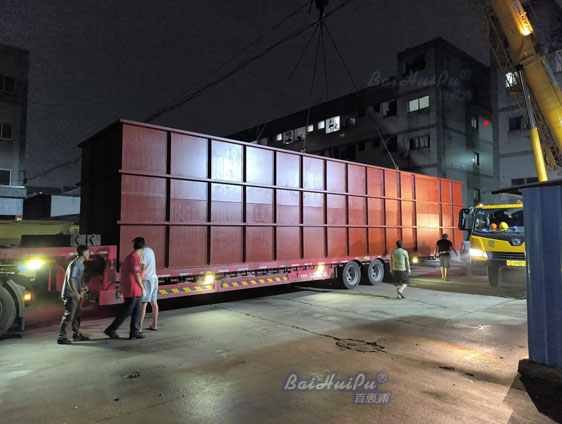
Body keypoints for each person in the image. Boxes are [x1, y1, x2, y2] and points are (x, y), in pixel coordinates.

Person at [104, 238, 147, 340]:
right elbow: (136, 275)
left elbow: (124, 274)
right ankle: (111, 330)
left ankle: (134, 332)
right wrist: (143, 288)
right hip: (133, 290)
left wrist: (121, 287)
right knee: (126, 312)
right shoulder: (134, 258)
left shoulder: (129, 257)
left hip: (132, 290)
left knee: (137, 310)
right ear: (143, 248)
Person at [57, 245, 90, 344]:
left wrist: (82, 287)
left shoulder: (80, 264)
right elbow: (70, 279)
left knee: (76, 315)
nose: (89, 254)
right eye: (88, 252)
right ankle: (61, 337)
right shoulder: (75, 264)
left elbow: (76, 279)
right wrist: (76, 293)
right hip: (70, 295)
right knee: (69, 316)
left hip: (75, 294)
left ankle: (76, 335)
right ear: (83, 253)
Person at [138, 239, 159, 332]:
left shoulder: (143, 254)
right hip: (154, 279)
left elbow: (142, 270)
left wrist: (140, 282)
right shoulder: (150, 250)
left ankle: (139, 328)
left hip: (147, 280)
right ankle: (154, 325)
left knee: (143, 304)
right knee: (154, 303)